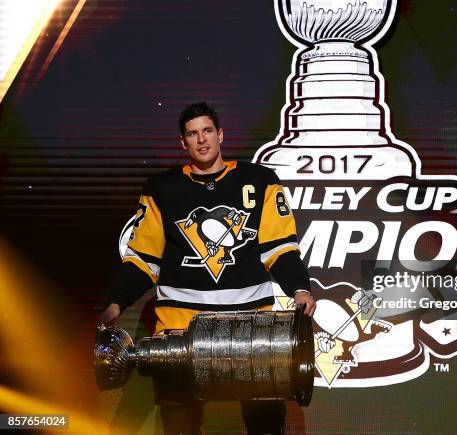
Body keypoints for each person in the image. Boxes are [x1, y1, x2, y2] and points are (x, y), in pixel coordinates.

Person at [99, 101, 316, 435]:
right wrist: (116, 302)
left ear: (220, 135)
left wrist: (300, 288)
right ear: (182, 143)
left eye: (207, 131)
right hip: (180, 329)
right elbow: (144, 258)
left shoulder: (259, 181)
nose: (201, 140)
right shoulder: (161, 188)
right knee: (179, 425)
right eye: (192, 134)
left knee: (265, 424)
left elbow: (280, 248)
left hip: (249, 328)